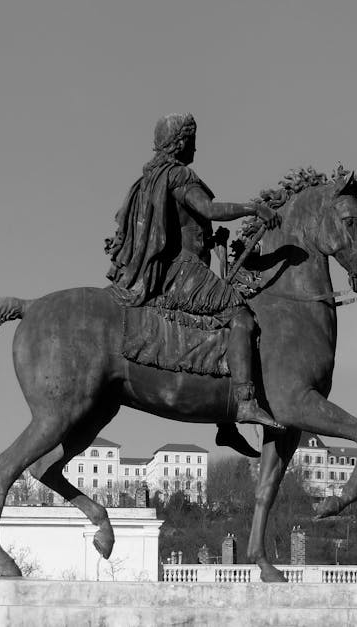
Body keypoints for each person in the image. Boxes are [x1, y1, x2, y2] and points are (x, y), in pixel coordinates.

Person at [105, 113, 280, 457]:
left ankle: (224, 425)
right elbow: (208, 208)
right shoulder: (179, 175)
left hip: (165, 270)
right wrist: (253, 209)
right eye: (193, 138)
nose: (196, 145)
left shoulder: (148, 179)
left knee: (217, 328)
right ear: (182, 141)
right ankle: (244, 402)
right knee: (241, 317)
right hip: (182, 271)